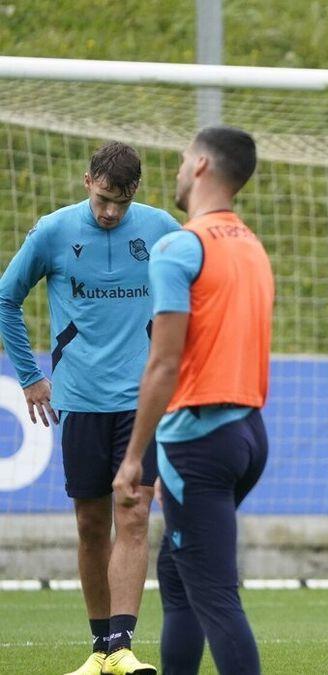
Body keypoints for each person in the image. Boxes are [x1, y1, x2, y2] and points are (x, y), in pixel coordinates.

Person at [0, 141, 179, 675]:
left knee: (134, 509)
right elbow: (6, 296)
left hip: (141, 400)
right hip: (78, 400)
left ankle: (122, 645)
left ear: (135, 196)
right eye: (103, 199)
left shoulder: (163, 229)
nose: (110, 212)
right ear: (86, 183)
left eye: (120, 204)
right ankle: (100, 647)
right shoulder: (54, 231)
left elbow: (199, 292)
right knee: (89, 522)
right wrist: (30, 377)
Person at [112, 126, 273, 675]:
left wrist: (135, 457)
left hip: (198, 439)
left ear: (202, 166)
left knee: (214, 593)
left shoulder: (179, 246)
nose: (178, 171)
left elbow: (163, 361)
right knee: (179, 577)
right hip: (249, 431)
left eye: (184, 160)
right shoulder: (251, 245)